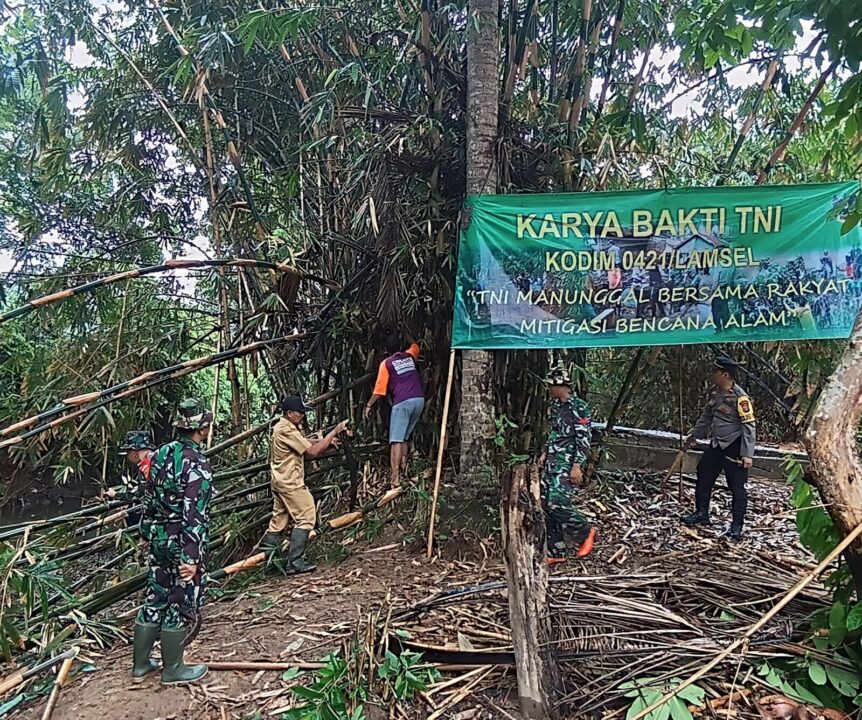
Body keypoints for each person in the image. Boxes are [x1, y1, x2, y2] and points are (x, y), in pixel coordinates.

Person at [132, 399, 214, 685]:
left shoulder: (160, 455)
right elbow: (195, 514)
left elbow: (148, 500)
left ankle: (141, 664)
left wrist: (151, 534)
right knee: (180, 599)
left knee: (155, 595)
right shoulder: (197, 464)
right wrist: (190, 557)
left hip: (158, 537)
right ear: (202, 429)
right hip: (181, 540)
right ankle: (173, 669)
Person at [258, 395, 350, 574]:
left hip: (279, 480)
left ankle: (272, 564)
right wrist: (334, 432)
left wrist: (327, 442)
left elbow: (305, 444)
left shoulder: (282, 427)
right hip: (290, 481)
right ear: (290, 413)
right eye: (299, 412)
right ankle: (295, 561)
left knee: (278, 522)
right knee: (307, 516)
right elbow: (312, 451)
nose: (302, 415)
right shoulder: (286, 429)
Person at [681, 358, 756, 540]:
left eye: (715, 371)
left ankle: (736, 525)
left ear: (725, 375)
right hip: (716, 445)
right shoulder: (715, 394)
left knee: (736, 487)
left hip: (734, 447)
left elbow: (749, 426)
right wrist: (693, 436)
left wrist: (747, 454)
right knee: (703, 474)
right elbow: (706, 418)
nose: (711, 375)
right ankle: (701, 513)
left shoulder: (741, 398)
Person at [541, 366, 596, 565]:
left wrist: (577, 466)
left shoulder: (579, 407)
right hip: (552, 462)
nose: (549, 388)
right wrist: (544, 454)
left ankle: (585, 532)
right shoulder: (556, 407)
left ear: (561, 385)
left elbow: (584, 437)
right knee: (546, 504)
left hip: (567, 462)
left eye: (551, 385)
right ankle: (557, 550)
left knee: (558, 502)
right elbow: (555, 432)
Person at [364, 329, 425, 488]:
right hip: (419, 400)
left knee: (396, 440)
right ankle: (404, 471)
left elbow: (379, 390)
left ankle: (395, 479)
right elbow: (415, 344)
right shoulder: (410, 356)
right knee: (404, 437)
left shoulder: (386, 364)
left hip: (402, 402)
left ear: (385, 351)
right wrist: (405, 330)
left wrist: (369, 405)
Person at [106, 430, 156, 528]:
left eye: (128, 452)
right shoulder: (160, 457)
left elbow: (141, 494)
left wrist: (116, 495)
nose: (127, 456)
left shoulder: (146, 464)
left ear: (135, 454)